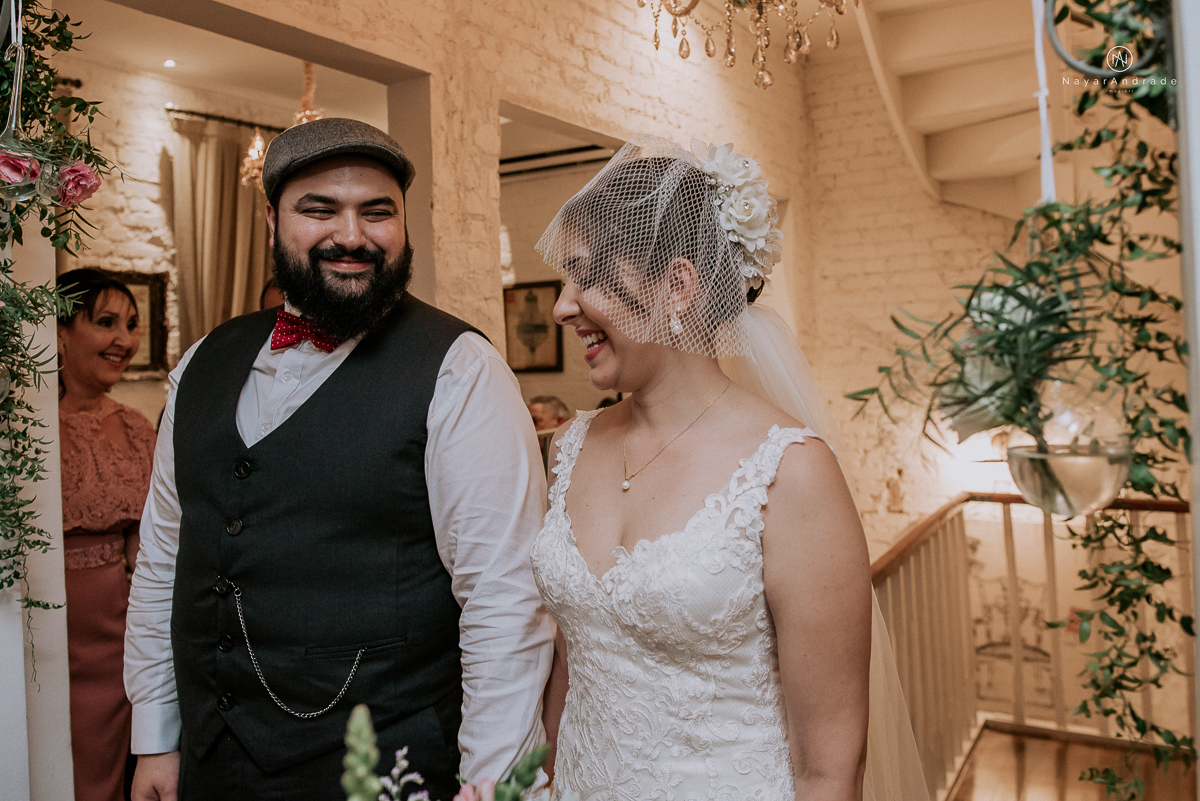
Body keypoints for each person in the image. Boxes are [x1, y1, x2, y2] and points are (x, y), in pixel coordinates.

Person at [125, 118, 554, 801]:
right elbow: (163, 562)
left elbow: (504, 601)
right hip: (212, 762)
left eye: (376, 212)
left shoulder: (460, 371)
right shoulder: (204, 361)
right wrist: (156, 735)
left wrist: (493, 782)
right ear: (272, 221)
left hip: (387, 770)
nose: (351, 236)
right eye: (319, 210)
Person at [531, 135, 929, 801]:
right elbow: (574, 663)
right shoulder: (571, 446)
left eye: (588, 275)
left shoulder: (790, 472)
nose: (562, 305)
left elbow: (830, 767)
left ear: (677, 284)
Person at [56, 268, 157, 801]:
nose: (125, 340)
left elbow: (151, 550)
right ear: (59, 333)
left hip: (119, 642)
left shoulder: (139, 431)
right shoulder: (24, 430)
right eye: (105, 323)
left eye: (131, 325)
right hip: (48, 637)